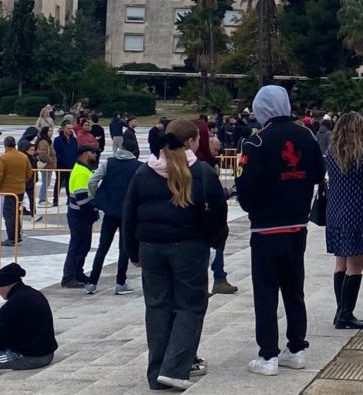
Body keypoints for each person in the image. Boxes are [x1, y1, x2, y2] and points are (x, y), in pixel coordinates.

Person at [123, 118, 227, 391]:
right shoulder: (202, 171)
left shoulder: (144, 172)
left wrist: (132, 251)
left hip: (151, 247)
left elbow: (129, 212)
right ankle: (174, 368)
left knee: (157, 308)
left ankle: (156, 371)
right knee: (190, 306)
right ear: (192, 141)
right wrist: (215, 241)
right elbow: (218, 210)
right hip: (189, 246)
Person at [236, 85, 326, 377]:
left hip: (266, 227)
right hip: (297, 225)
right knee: (293, 288)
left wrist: (258, 207)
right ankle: (297, 348)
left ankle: (268, 354)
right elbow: (315, 175)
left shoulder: (257, 143)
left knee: (266, 292)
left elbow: (246, 190)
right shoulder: (307, 135)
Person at [325, 112, 363, 330]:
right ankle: (345, 314)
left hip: (335, 213)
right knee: (355, 266)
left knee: (340, 263)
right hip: (358, 213)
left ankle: (341, 309)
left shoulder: (331, 153)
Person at [0, 263, 57, 373]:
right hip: (46, 353)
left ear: (6, 285)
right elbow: (18, 330)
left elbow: (1, 342)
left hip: (29, 357)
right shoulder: (34, 294)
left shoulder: (11, 306)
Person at [87, 132, 139, 295]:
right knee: (124, 247)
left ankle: (92, 282)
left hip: (110, 210)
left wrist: (99, 197)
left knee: (103, 247)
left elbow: (92, 181)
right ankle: (120, 282)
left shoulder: (109, 163)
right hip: (128, 212)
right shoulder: (138, 167)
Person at [193, 119, 236, 296]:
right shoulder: (200, 165)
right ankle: (215, 279)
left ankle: (218, 278)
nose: (218, 154)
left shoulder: (207, 162)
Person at [61, 143, 101, 288]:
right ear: (85, 154)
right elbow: (82, 199)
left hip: (83, 215)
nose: (95, 155)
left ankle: (78, 272)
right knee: (77, 245)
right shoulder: (81, 172)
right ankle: (69, 276)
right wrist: (97, 206)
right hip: (79, 215)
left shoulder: (84, 170)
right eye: (93, 153)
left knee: (83, 245)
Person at [0, 137, 31, 246]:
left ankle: (12, 237)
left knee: (9, 215)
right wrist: (22, 181)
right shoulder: (23, 157)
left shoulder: (3, 158)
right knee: (15, 213)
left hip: (8, 190)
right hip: (20, 189)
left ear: (5, 145)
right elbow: (29, 172)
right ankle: (17, 235)